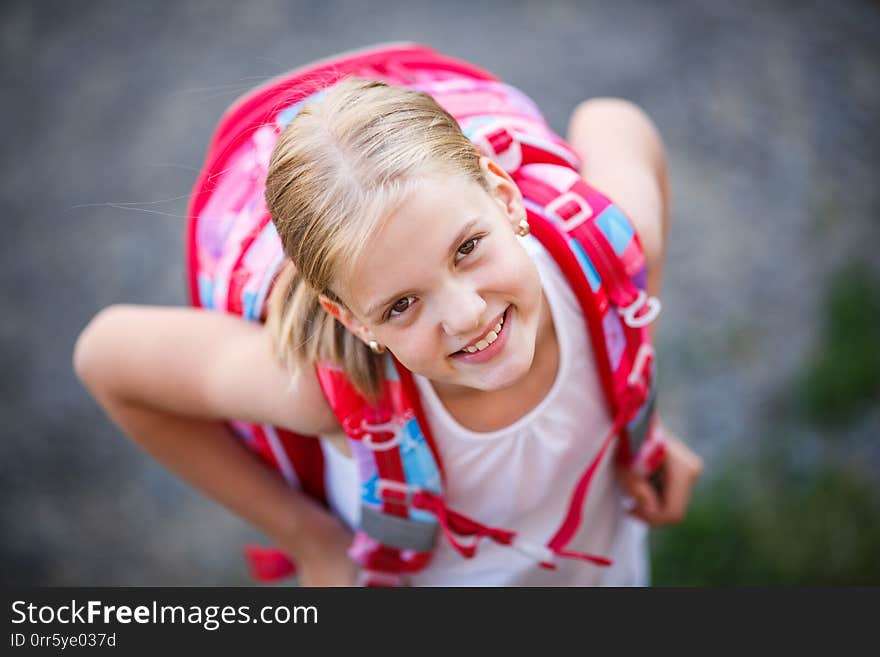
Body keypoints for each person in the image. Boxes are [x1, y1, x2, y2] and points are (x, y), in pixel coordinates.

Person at [74, 48, 702, 586]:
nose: (466, 315)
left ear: (504, 196)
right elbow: (105, 357)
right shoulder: (330, 394)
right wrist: (309, 540)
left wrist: (636, 398)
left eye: (467, 249)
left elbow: (615, 119)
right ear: (351, 320)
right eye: (400, 305)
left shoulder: (613, 252)